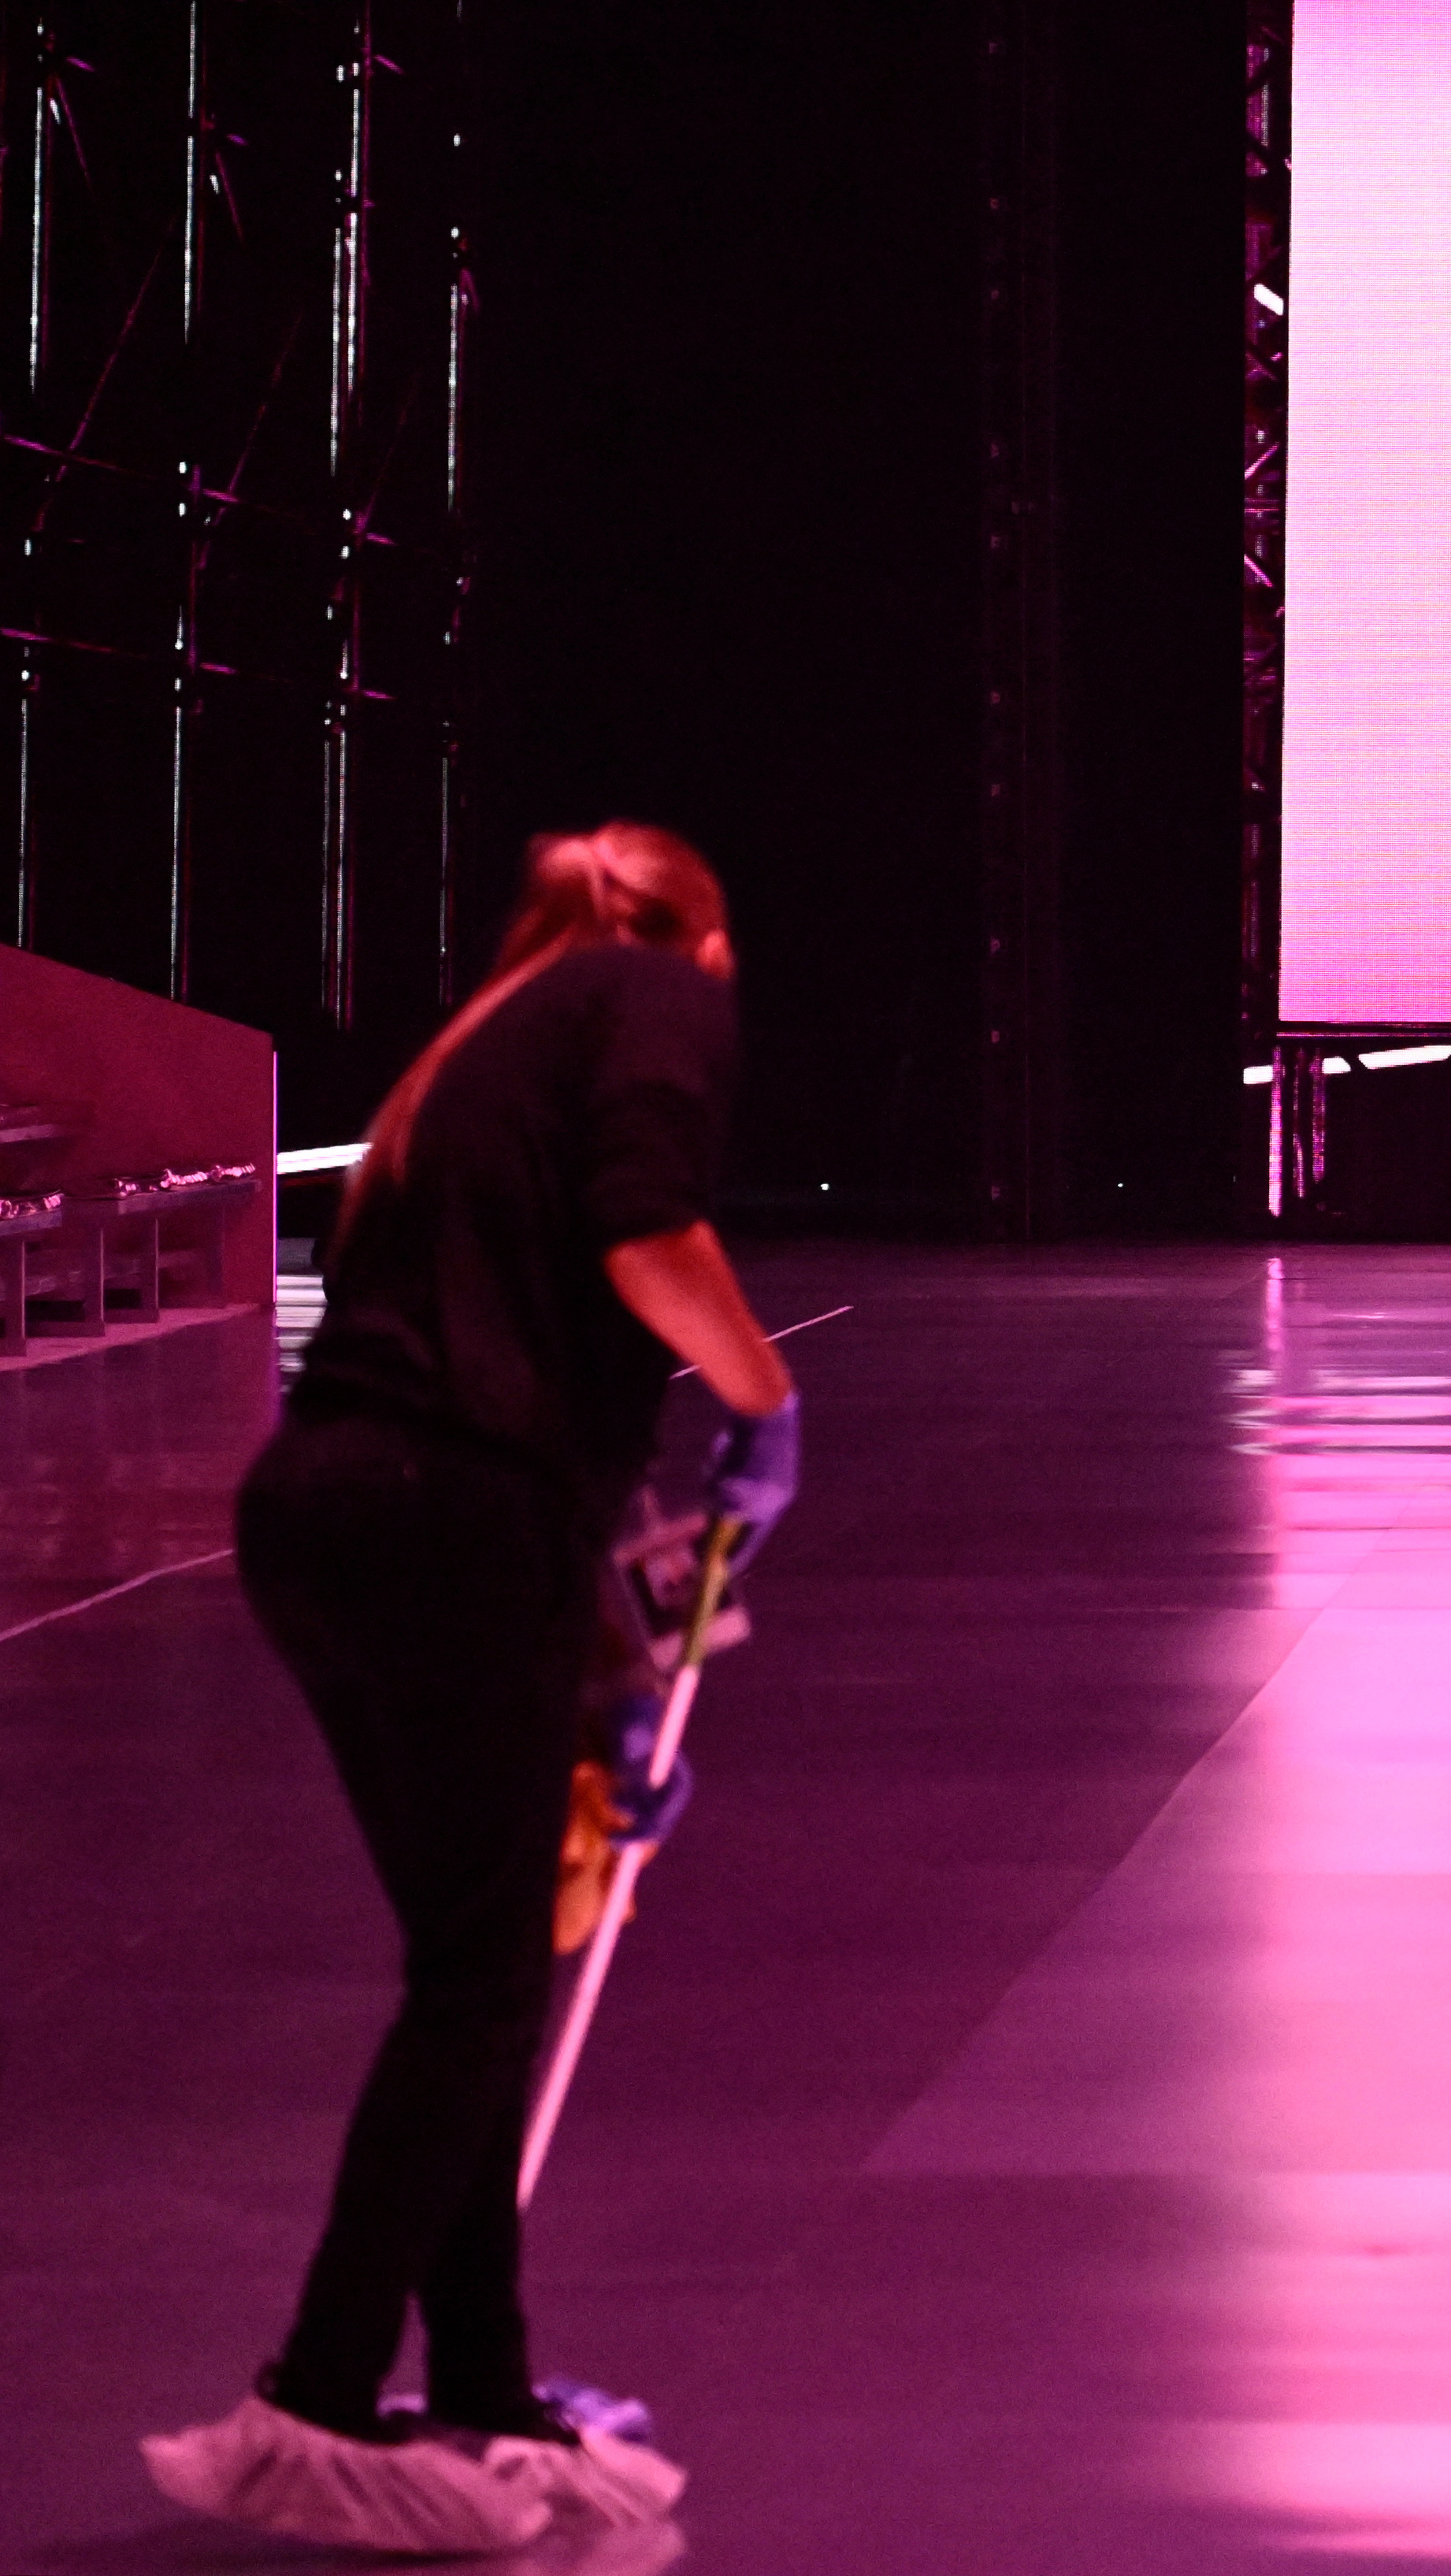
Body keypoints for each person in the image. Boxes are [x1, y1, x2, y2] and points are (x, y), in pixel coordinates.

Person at [143, 826, 793, 2552]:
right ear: (703, 947)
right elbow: (646, 1227)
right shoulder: (654, 993)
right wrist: (762, 1395)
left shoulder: (473, 1053)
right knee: (483, 1978)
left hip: (335, 1513)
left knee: (477, 1971)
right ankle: (319, 2391)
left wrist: (602, 1709)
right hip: (446, 1519)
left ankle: (489, 2382)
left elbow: (487, 1396)